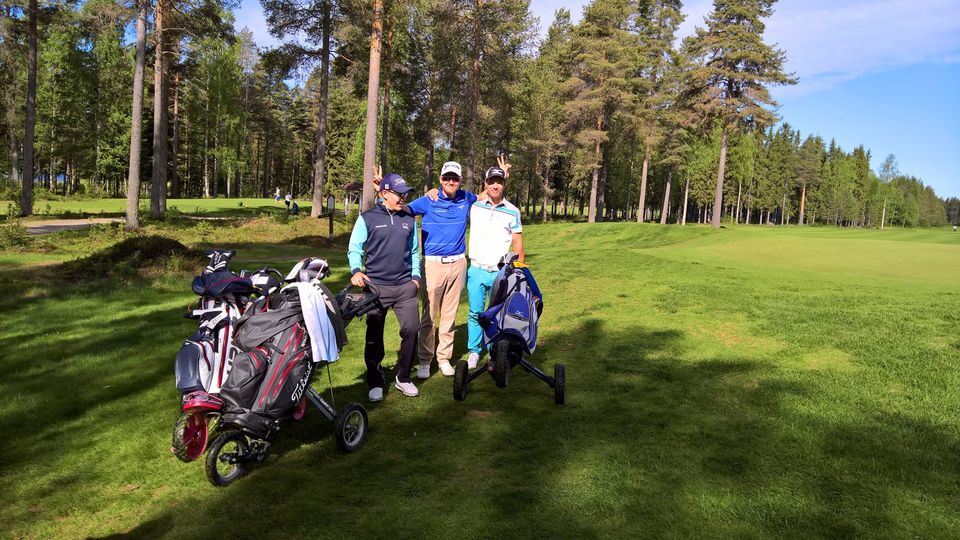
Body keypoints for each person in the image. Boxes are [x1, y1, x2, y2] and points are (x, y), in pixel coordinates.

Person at [347, 172, 423, 401]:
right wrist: (356, 270)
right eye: (399, 194)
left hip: (404, 287)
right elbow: (355, 247)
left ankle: (403, 377)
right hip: (376, 287)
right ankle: (375, 380)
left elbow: (415, 251)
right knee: (374, 334)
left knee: (411, 330)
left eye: (405, 194)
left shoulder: (409, 218)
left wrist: (416, 278)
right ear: (384, 194)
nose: (403, 198)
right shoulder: (367, 218)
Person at [406, 161, 476, 378]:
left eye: (454, 178)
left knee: (449, 315)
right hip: (433, 264)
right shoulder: (429, 199)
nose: (450, 181)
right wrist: (382, 191)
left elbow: (487, 195)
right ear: (440, 179)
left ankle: (444, 358)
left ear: (460, 180)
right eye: (447, 178)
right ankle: (425, 360)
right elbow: (401, 209)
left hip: (458, 263)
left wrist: (504, 177)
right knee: (429, 315)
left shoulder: (466, 198)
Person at [465, 156, 523, 369]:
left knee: (497, 314)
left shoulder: (512, 211)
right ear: (485, 184)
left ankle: (493, 351)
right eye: (491, 182)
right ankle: (474, 351)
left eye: (499, 182)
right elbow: (479, 195)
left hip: (500, 272)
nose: (495, 186)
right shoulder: (475, 205)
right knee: (475, 312)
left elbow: (518, 245)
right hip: (477, 269)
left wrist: (518, 272)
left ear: (505, 184)